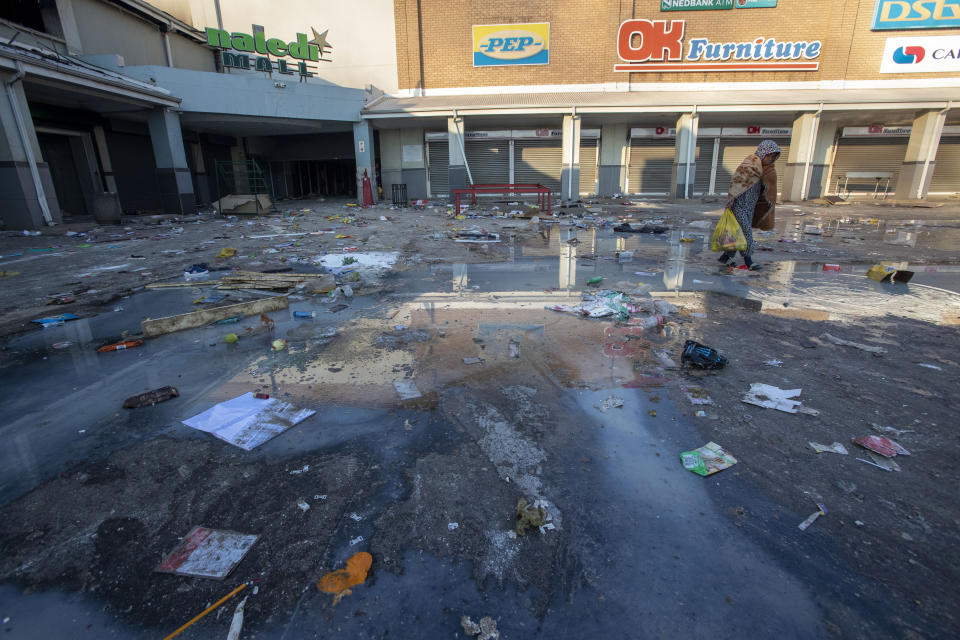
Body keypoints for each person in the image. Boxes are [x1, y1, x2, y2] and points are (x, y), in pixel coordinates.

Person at [720, 139, 781, 271]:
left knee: (737, 234)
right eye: (769, 155)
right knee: (746, 232)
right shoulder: (750, 165)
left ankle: (725, 258)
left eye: (773, 157)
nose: (770, 159)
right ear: (763, 152)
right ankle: (749, 261)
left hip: (749, 207)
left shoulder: (763, 169)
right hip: (738, 206)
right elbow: (737, 183)